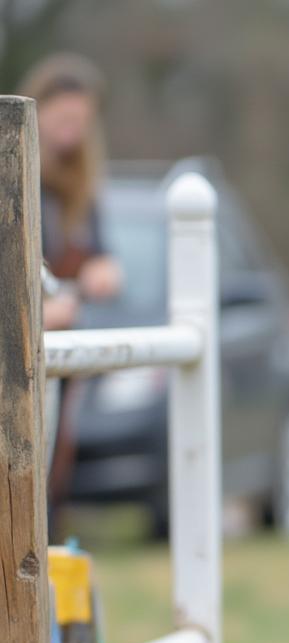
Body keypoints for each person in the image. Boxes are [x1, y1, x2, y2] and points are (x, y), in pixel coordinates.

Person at [20, 54, 122, 529]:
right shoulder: (17, 179)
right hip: (21, 348)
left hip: (58, 354)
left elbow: (100, 254)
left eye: (81, 121)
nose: (72, 131)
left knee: (52, 471)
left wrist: (102, 270)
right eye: (63, 119)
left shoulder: (81, 185)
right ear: (35, 113)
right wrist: (37, 313)